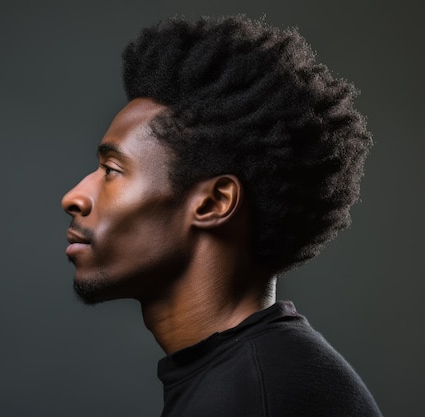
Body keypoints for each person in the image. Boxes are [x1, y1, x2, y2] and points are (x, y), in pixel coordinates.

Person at [61, 15, 382, 417]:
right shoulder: (258, 373)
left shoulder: (250, 397)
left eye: (112, 171)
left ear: (214, 203)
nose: (73, 197)